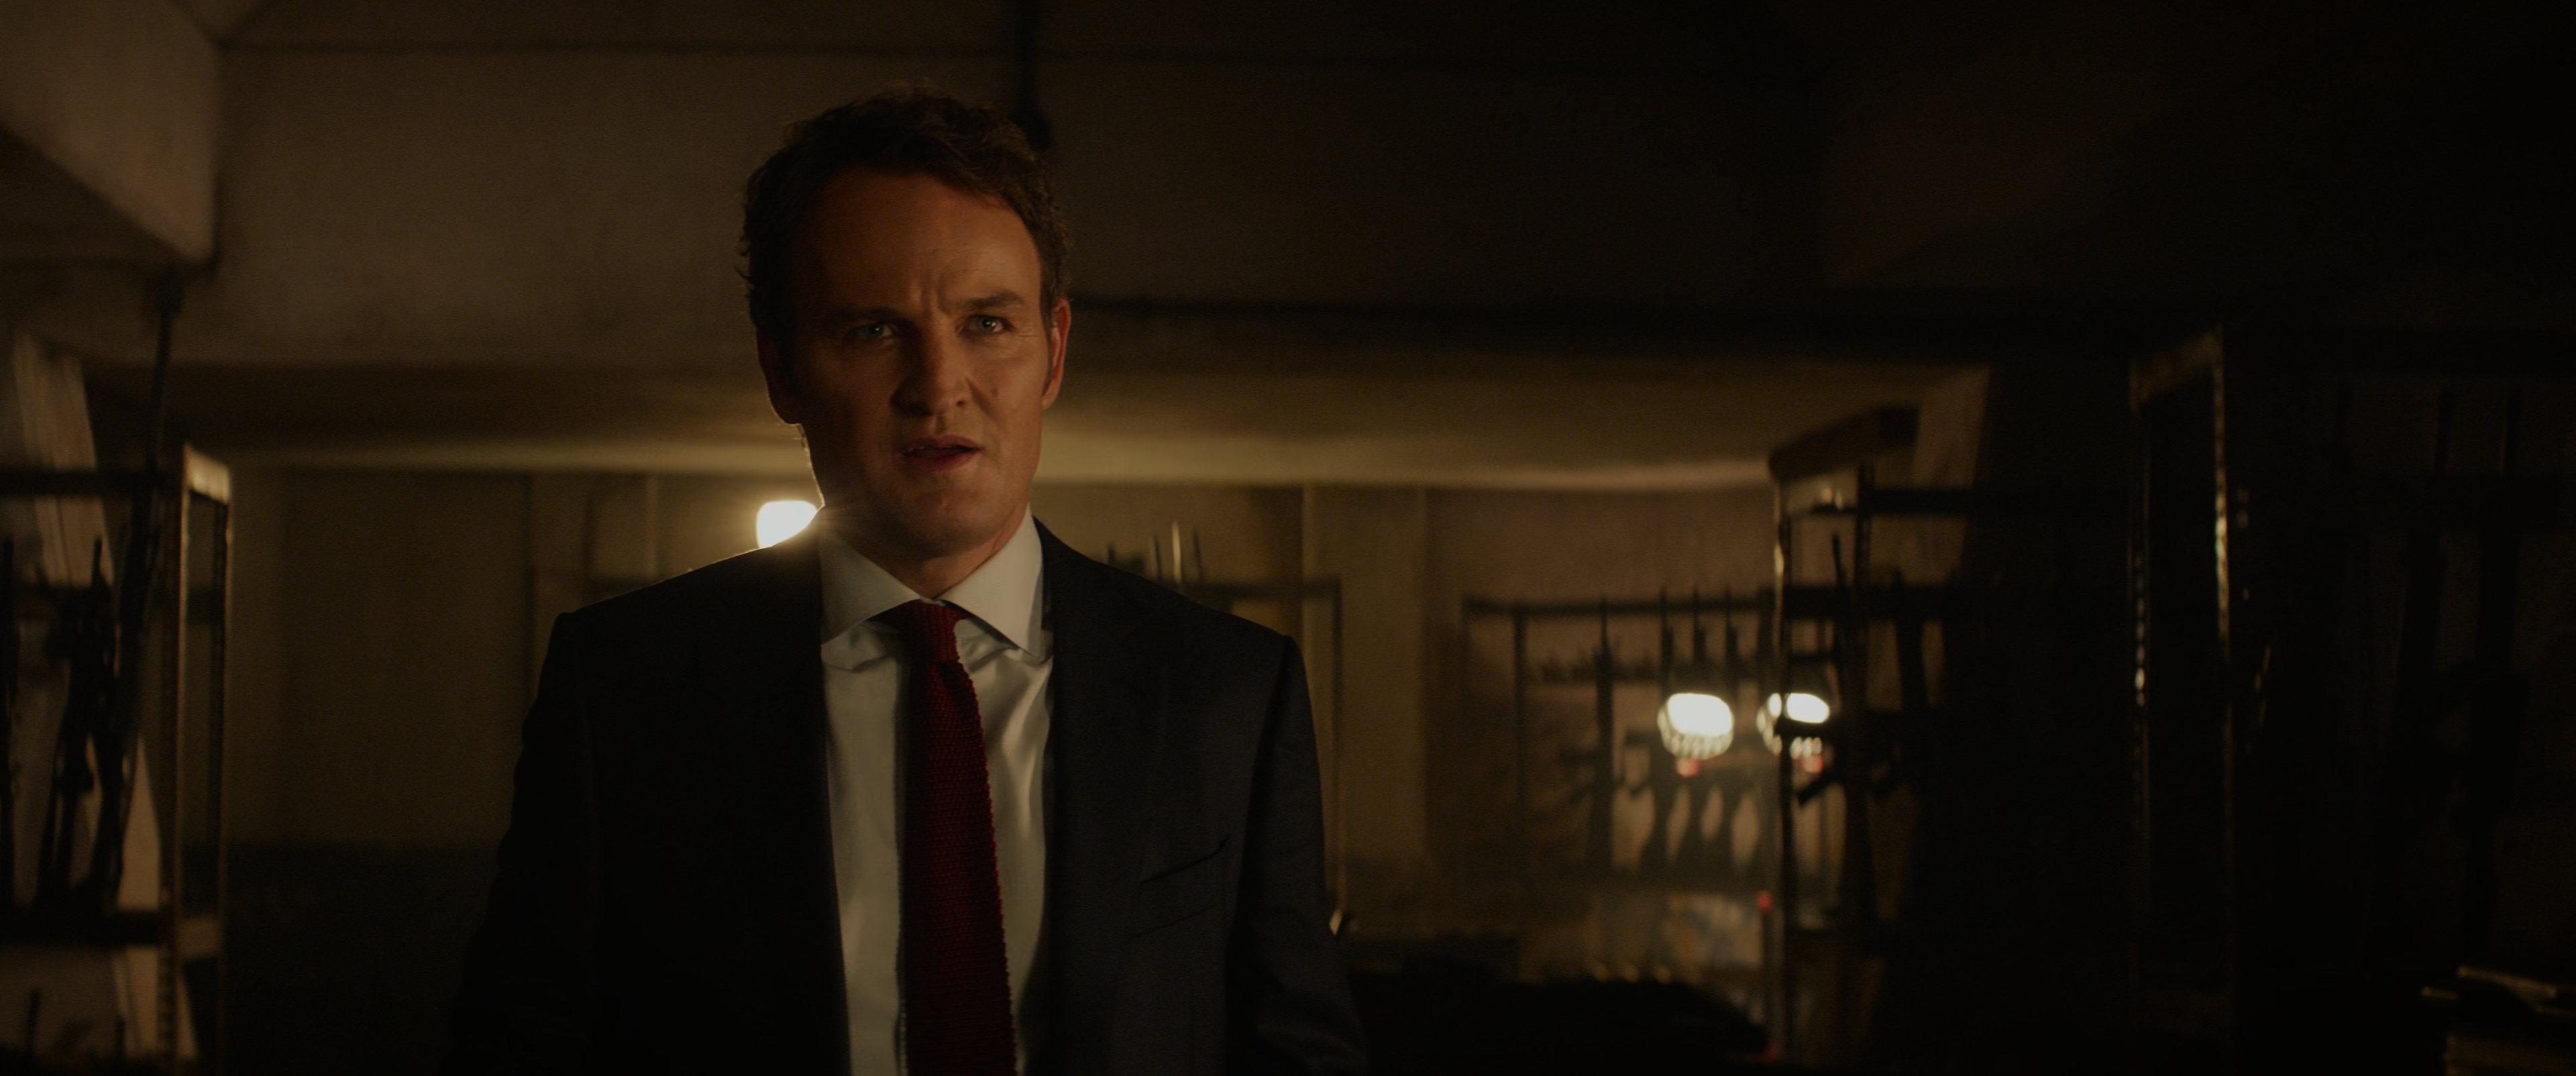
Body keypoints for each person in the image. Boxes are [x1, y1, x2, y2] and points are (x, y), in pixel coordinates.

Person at [445, 87, 1366, 1075]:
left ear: (1054, 351)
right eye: (873, 331)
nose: (938, 386)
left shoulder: (1228, 691)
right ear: (782, 370)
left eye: (987, 324)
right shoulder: (626, 687)